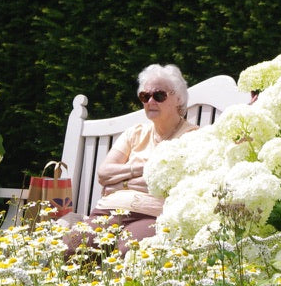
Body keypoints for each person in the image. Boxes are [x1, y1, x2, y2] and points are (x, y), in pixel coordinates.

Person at [62, 63, 198, 257]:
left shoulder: (192, 138)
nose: (150, 101)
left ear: (178, 99)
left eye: (159, 95)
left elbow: (176, 184)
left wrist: (119, 184)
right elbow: (104, 173)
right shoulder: (135, 133)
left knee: (128, 253)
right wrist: (142, 169)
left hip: (153, 213)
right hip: (109, 210)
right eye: (145, 96)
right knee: (71, 248)